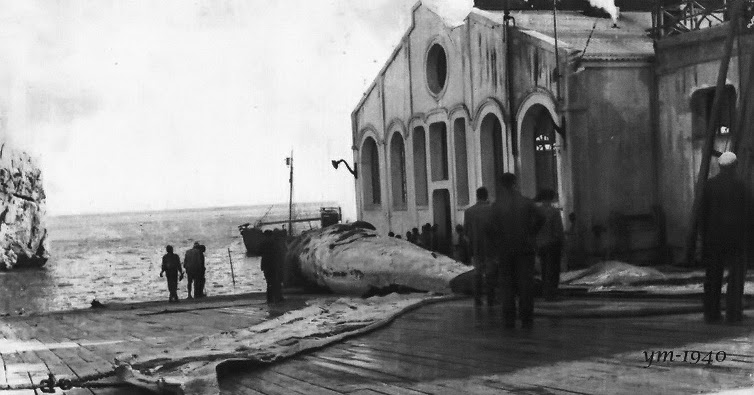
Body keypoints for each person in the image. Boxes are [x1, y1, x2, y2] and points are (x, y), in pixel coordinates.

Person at [700, 152, 752, 323]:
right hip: (736, 239)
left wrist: (704, 238)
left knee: (713, 276)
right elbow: (749, 215)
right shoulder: (742, 186)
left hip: (714, 239)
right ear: (735, 165)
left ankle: (712, 313)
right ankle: (733, 313)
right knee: (736, 277)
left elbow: (703, 214)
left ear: (720, 166)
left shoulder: (709, 185)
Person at [489, 173, 545, 329]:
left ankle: (509, 318)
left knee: (507, 285)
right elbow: (541, 217)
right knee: (525, 284)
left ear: (501, 184)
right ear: (515, 183)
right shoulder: (526, 202)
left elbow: (489, 227)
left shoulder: (497, 205)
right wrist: (531, 233)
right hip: (525, 248)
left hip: (505, 249)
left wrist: (497, 242)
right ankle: (526, 317)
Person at [464, 187, 497, 306]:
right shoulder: (492, 210)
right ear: (486, 196)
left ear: (477, 196)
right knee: (490, 273)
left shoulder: (469, 212)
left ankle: (477, 298)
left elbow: (466, 233)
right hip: (491, 247)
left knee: (477, 273)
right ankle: (491, 298)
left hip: (476, 247)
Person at [535, 189, 565, 301]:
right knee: (553, 269)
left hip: (541, 244)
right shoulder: (554, 212)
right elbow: (558, 230)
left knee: (544, 268)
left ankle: (545, 292)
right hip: (553, 244)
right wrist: (563, 243)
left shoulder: (537, 211)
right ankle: (552, 292)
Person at [261, 230, 285, 303]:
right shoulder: (274, 244)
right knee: (276, 282)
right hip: (273, 265)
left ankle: (270, 298)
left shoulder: (263, 244)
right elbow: (279, 254)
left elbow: (258, 251)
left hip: (267, 266)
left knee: (270, 283)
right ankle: (278, 297)